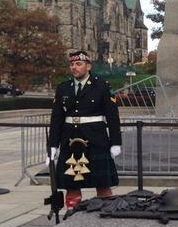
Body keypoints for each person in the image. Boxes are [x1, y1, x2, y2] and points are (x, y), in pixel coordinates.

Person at [47, 50, 122, 210]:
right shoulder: (63, 88)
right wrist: (52, 146)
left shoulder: (102, 86)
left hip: (96, 140)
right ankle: (72, 215)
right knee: (72, 185)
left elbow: (113, 116)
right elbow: (56, 119)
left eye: (78, 64)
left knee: (103, 184)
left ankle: (106, 214)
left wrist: (116, 142)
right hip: (71, 141)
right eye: (72, 64)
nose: (74, 67)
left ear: (88, 66)